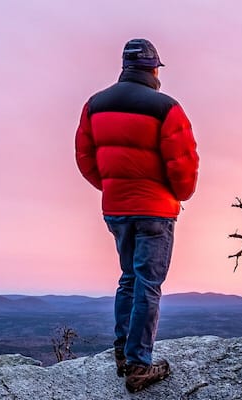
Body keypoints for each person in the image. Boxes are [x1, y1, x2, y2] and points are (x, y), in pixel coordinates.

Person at [74, 38, 199, 393]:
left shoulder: (94, 105)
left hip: (116, 208)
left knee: (128, 278)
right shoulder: (166, 108)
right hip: (155, 212)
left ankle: (122, 354)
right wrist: (179, 195)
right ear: (154, 69)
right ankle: (139, 365)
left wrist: (112, 187)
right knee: (148, 283)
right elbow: (184, 163)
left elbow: (85, 157)